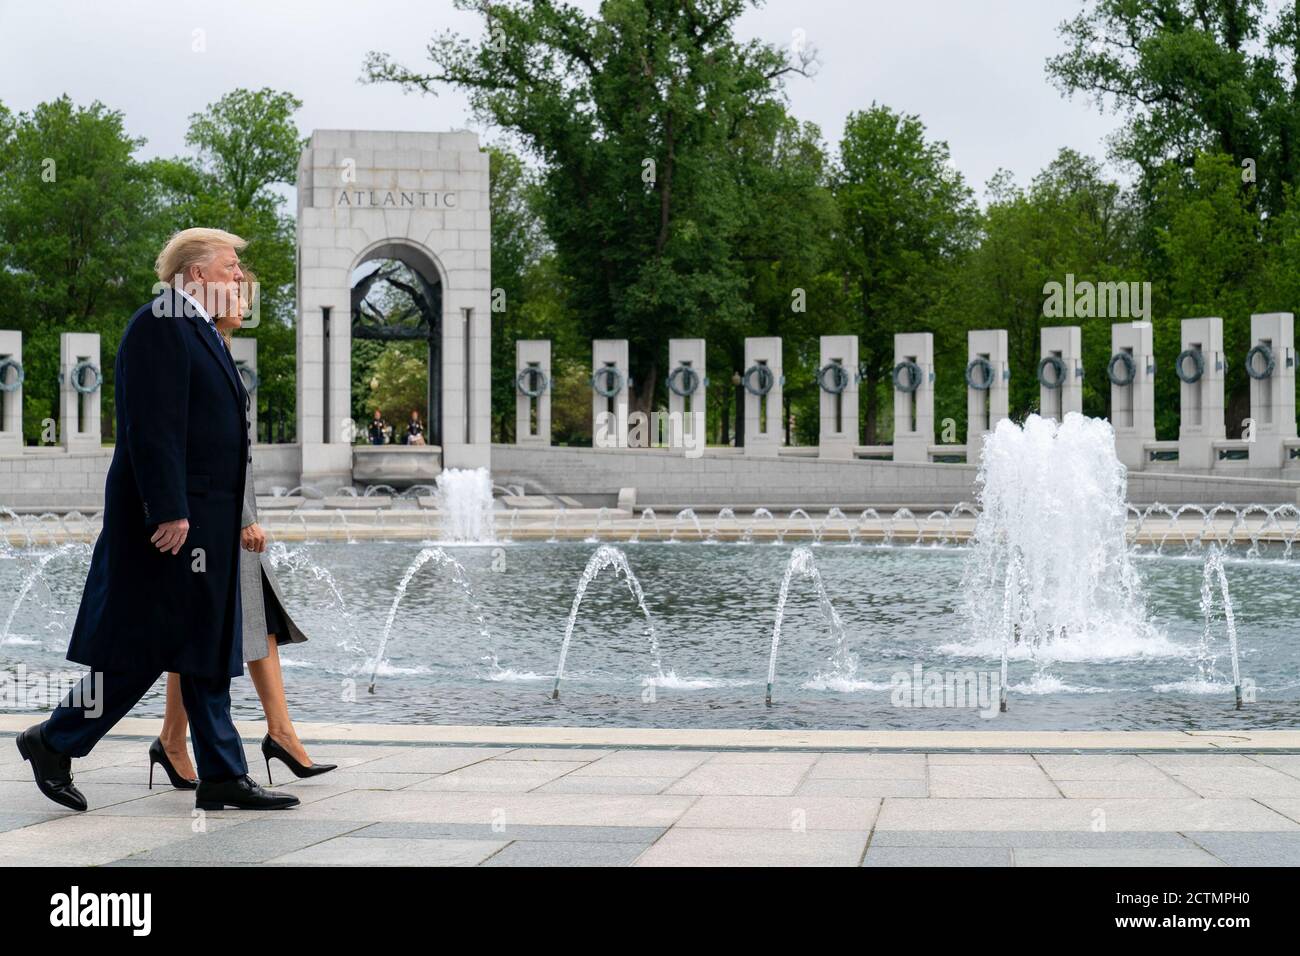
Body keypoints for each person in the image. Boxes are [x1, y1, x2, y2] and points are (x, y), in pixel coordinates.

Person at [15, 228, 299, 812]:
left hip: (204, 520)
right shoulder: (160, 323)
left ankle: (220, 772)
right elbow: (152, 426)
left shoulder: (199, 329)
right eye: (230, 265)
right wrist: (168, 508)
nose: (240, 275)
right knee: (146, 649)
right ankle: (53, 740)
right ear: (195, 274)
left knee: (198, 646)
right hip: (173, 523)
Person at [152, 271, 336, 788]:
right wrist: (246, 519)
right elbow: (204, 447)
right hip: (218, 522)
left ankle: (258, 734)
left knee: (245, 624)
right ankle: (256, 739)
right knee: (212, 627)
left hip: (225, 518)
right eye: (238, 294)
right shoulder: (191, 344)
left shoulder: (217, 350)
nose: (243, 304)